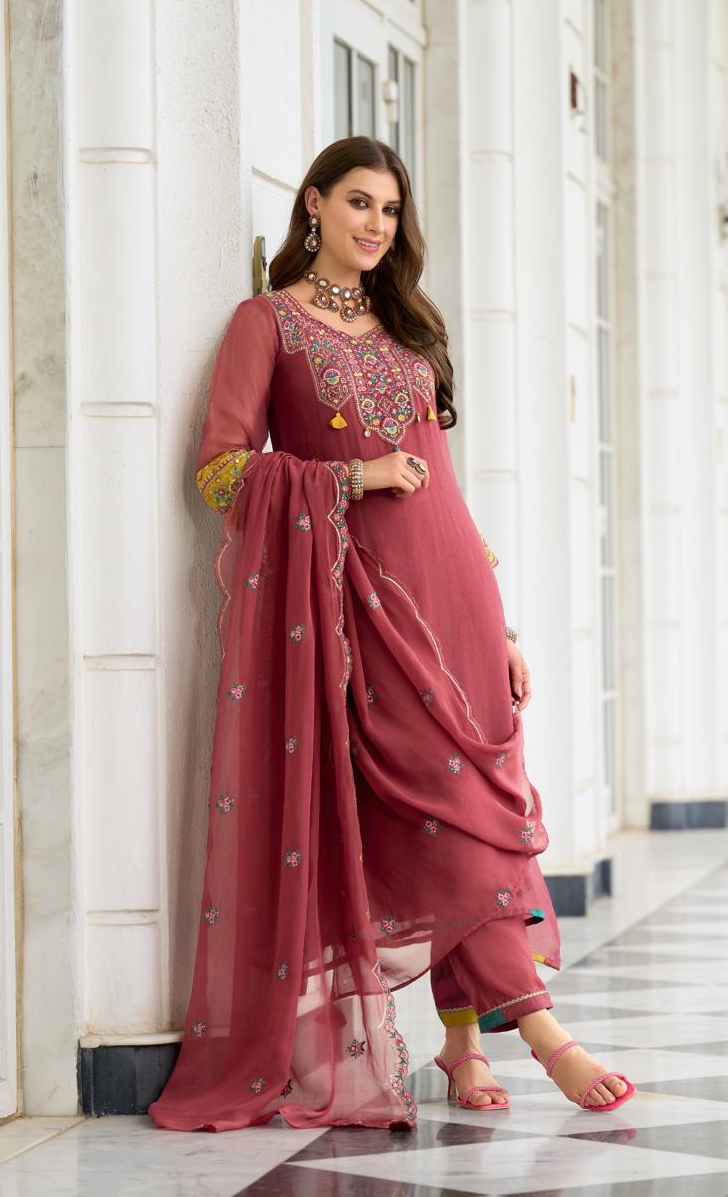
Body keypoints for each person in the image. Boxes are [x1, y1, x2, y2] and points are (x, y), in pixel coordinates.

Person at [149, 136, 634, 1132]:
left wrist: (499, 621)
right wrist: (347, 478)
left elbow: (440, 480)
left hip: (456, 599)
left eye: (389, 210)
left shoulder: (405, 324)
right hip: (361, 604)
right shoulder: (266, 323)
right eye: (358, 203)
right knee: (439, 816)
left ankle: (461, 1042)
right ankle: (545, 1032)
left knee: (476, 813)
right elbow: (220, 468)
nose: (376, 224)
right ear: (313, 205)